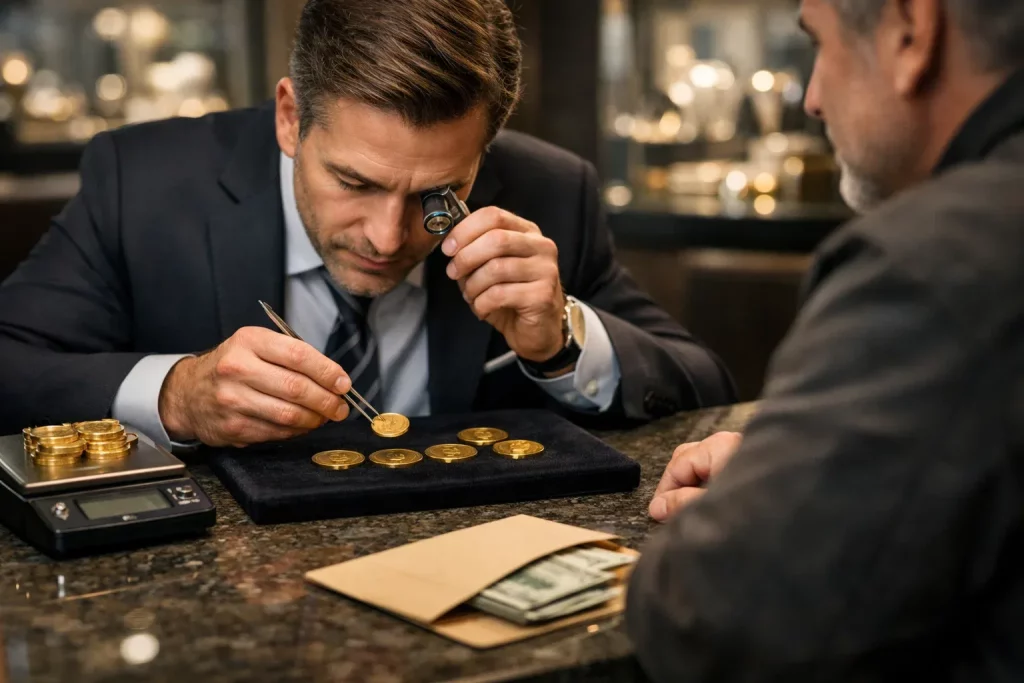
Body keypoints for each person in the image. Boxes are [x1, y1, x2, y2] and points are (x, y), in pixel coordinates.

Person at [0, 0, 734, 449]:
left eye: (438, 193)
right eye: (354, 181)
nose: (388, 238)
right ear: (291, 118)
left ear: (486, 151)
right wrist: (178, 396)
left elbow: (706, 389)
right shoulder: (146, 184)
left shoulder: (550, 189)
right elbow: (12, 361)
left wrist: (561, 340)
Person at [627, 0, 1024, 680]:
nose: (811, 98)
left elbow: (712, 617)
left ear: (910, 30)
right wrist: (813, 457)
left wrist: (757, 502)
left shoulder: (937, 261)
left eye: (820, 45)